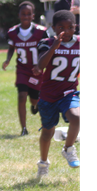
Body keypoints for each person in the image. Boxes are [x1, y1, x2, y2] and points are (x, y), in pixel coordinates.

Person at [34, 10, 80, 177]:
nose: (66, 31)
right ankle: (43, 162)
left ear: (75, 27)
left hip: (69, 92)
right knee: (48, 132)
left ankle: (68, 148)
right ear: (53, 28)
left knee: (76, 117)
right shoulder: (46, 43)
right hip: (48, 95)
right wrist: (54, 46)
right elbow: (40, 65)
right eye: (61, 27)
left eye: (70, 27)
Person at [2, 1, 50, 136]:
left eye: (29, 14)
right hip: (22, 69)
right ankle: (24, 128)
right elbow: (12, 48)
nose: (26, 16)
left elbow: (45, 49)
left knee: (36, 100)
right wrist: (7, 59)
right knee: (21, 96)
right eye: (23, 14)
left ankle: (35, 107)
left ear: (33, 15)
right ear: (19, 15)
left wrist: (40, 64)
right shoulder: (12, 32)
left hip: (36, 70)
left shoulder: (41, 31)